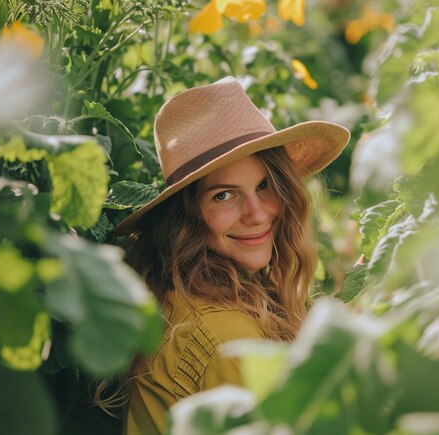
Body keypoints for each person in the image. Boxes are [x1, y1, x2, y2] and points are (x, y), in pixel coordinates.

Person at [112, 77, 350, 434]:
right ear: (185, 217)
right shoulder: (228, 340)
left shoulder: (197, 292)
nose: (257, 213)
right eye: (224, 195)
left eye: (264, 185)